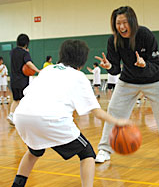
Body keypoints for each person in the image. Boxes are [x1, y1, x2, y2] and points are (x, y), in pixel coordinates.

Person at [11, 40, 131, 187]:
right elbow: (97, 112)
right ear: (81, 61)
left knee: (34, 152)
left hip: (22, 116)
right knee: (87, 154)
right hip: (51, 119)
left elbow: (27, 93)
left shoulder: (48, 70)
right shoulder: (79, 77)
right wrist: (118, 121)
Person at [94, 6, 159, 167]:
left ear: (132, 22)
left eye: (124, 22)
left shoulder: (145, 34)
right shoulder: (113, 40)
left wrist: (144, 65)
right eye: (118, 23)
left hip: (155, 80)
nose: (121, 27)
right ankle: (104, 150)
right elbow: (116, 69)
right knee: (113, 111)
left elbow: (157, 63)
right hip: (128, 80)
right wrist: (109, 67)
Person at [7, 34, 40, 125]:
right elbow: (28, 63)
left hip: (13, 80)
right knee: (24, 100)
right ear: (26, 43)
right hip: (22, 81)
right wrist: (38, 70)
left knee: (16, 99)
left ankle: (11, 115)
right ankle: (23, 119)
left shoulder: (12, 52)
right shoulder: (25, 53)